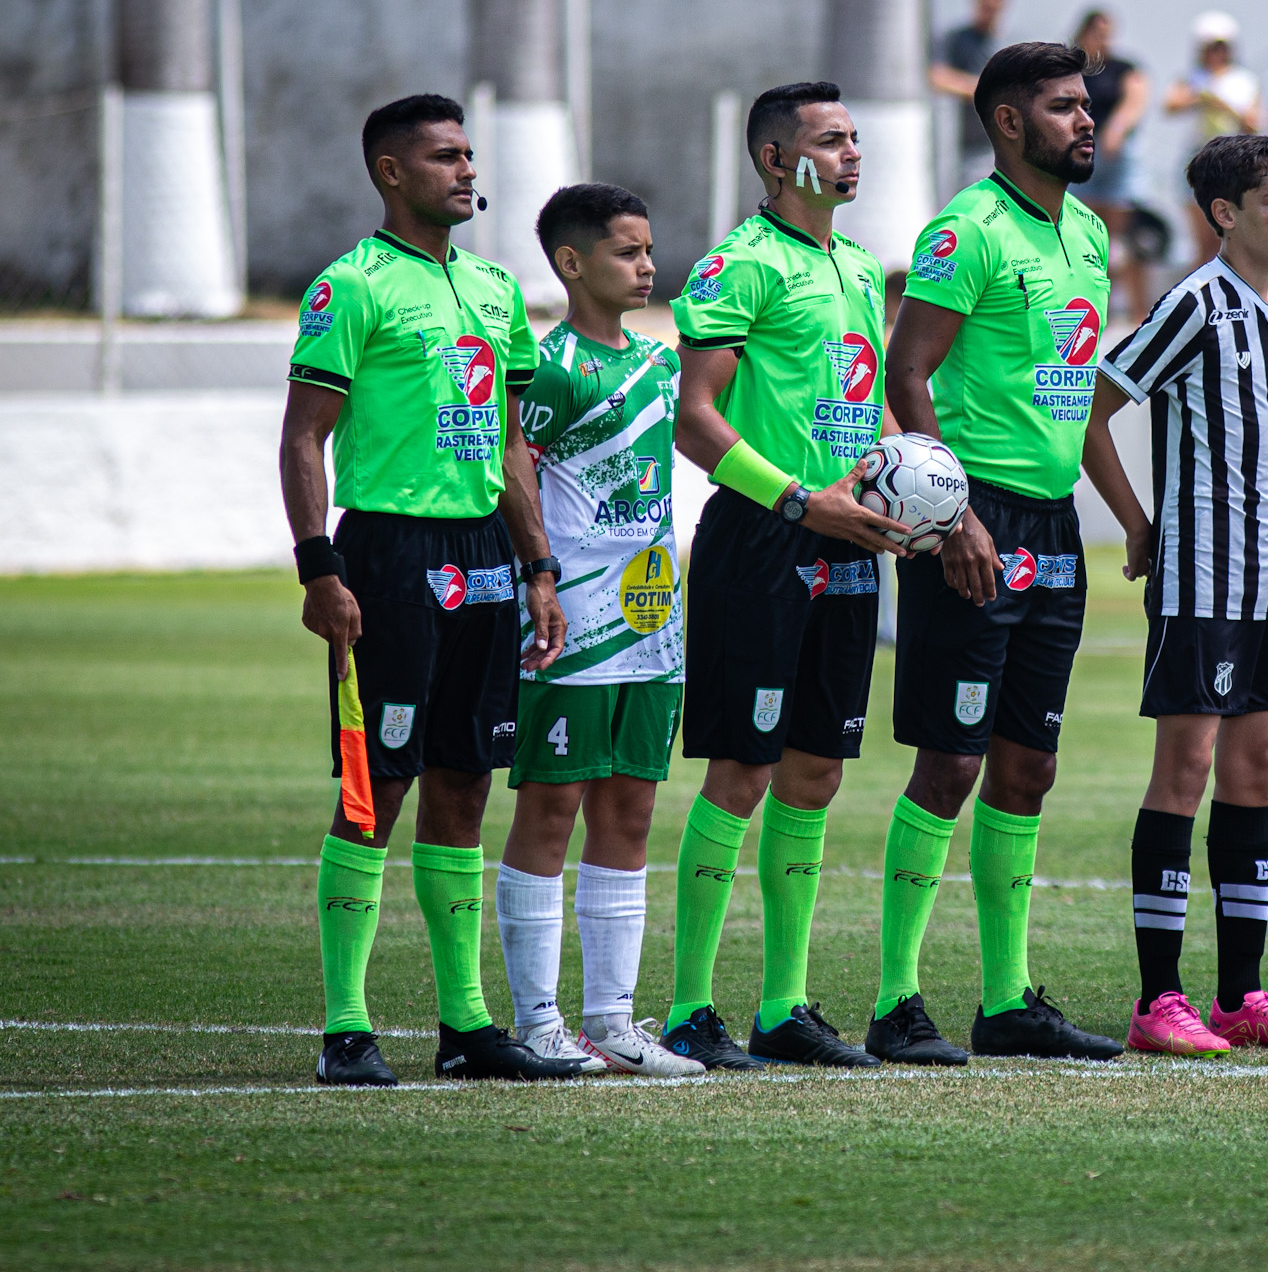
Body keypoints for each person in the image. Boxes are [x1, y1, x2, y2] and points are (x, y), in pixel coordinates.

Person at [282, 93, 581, 1086]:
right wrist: (317, 563)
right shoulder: (350, 288)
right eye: (443, 156)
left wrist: (537, 565)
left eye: (467, 154)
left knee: (465, 780)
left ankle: (465, 1026)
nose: (464, 170)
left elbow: (508, 445)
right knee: (378, 789)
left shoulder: (496, 291)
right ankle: (345, 1028)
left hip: (486, 559)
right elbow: (302, 436)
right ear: (389, 173)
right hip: (390, 558)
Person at [872, 41, 1123, 1064]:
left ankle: (1008, 1000)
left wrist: (1128, 513)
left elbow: (1081, 385)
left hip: (1053, 525)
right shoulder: (963, 233)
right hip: (972, 528)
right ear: (1009, 123)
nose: (1086, 120)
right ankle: (895, 1002)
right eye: (1064, 107)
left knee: (1031, 764)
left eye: (1086, 104)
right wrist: (954, 517)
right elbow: (907, 368)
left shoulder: (1092, 236)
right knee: (952, 762)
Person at [660, 82, 905, 1071]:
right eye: (830, 140)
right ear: (774, 159)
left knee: (816, 768)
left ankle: (784, 1007)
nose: (852, 154)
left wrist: (918, 491)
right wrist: (801, 502)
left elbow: (868, 405)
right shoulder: (738, 265)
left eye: (855, 139)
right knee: (745, 768)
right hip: (764, 538)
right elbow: (695, 418)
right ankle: (688, 1009)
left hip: (849, 537)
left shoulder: (852, 265)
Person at [1083, 134, 1268, 1057]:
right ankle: (1159, 1002)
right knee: (1183, 772)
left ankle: (1241, 996)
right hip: (1200, 577)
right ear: (1224, 214)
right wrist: (1139, 522)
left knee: (1256, 771)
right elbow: (1094, 413)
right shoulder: (1193, 305)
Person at [491, 183, 700, 1078]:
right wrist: (539, 577)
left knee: (634, 804)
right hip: (571, 617)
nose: (648, 265)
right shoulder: (549, 370)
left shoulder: (660, 367)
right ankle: (539, 1023)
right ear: (572, 264)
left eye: (649, 248)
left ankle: (612, 1021)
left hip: (653, 612)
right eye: (627, 251)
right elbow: (514, 470)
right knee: (552, 805)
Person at [1165, 13, 1263, 262]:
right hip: (1198, 157)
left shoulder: (1244, 81)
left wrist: (1222, 105)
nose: (1216, 53)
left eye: (1221, 47)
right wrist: (1202, 97)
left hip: (1232, 162)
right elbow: (1170, 104)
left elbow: (1255, 123)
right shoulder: (1193, 79)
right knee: (1204, 243)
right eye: (1211, 47)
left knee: (1228, 239)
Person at [1075, 8, 1152, 319]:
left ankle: (1136, 312)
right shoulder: (1073, 68)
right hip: (1083, 161)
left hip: (1116, 160)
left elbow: (1136, 100)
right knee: (1087, 238)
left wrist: (1115, 130)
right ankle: (1094, 310)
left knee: (1122, 241)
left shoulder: (1124, 67)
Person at [930, 0, 1008, 193]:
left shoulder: (1008, 44)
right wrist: (985, 89)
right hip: (962, 149)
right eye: (985, 6)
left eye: (994, 7)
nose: (989, 12)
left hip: (1000, 147)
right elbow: (938, 77)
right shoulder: (956, 39)